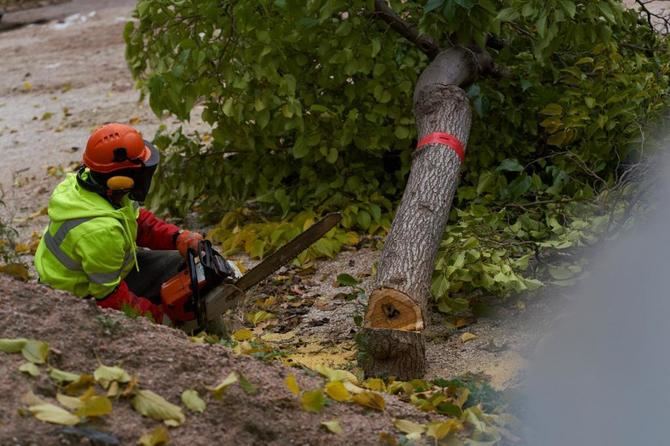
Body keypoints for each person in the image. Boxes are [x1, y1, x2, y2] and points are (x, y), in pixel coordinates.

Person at [34, 123, 204, 323]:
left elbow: (137, 220)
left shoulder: (98, 185)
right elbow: (109, 298)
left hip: (103, 271)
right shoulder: (101, 231)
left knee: (185, 262)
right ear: (120, 180)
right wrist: (161, 319)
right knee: (169, 312)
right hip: (77, 298)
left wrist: (177, 237)